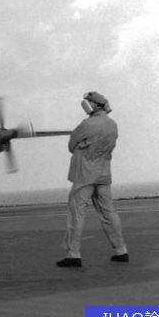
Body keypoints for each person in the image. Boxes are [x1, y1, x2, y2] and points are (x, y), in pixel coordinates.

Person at [57, 92, 128, 268]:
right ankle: (121, 250)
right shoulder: (112, 124)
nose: (86, 104)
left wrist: (83, 146)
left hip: (85, 174)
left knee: (77, 212)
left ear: (95, 104)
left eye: (88, 102)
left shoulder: (87, 124)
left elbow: (71, 145)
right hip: (103, 172)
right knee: (108, 212)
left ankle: (73, 254)